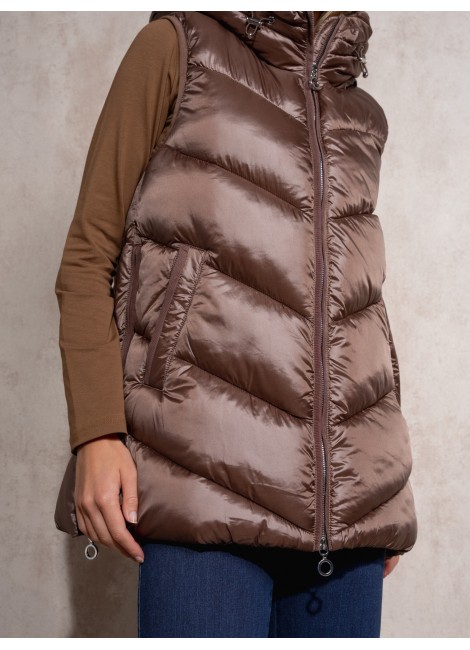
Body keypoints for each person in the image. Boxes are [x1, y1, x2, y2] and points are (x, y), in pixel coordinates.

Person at [54, 10, 417, 637]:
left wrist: (376, 487)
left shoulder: (362, 114)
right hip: (199, 479)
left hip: (350, 508)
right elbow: (89, 257)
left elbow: (358, 301)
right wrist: (96, 433)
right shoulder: (176, 48)